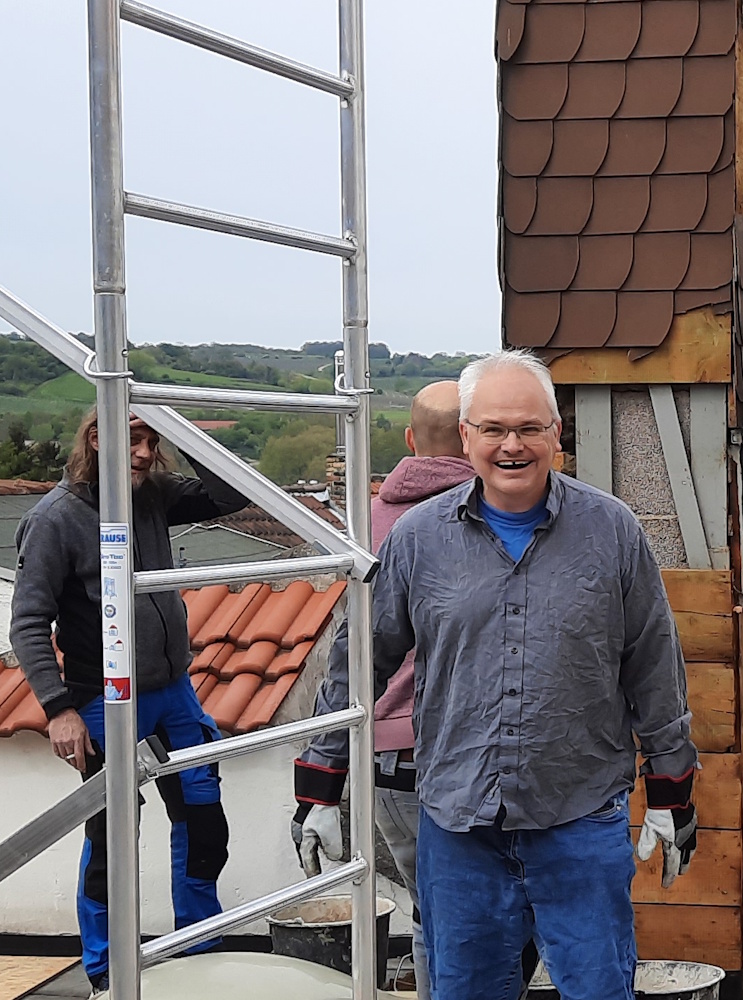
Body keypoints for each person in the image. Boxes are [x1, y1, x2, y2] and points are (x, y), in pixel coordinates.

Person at [293, 350, 699, 1000]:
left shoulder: (613, 533)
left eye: (529, 428)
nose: (512, 445)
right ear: (466, 437)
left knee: (599, 990)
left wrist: (673, 791)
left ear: (556, 434)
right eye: (493, 429)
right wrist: (320, 782)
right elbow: (360, 661)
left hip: (579, 814)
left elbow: (653, 664)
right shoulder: (418, 539)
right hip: (458, 827)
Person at [9, 411, 250, 997]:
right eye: (131, 440)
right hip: (103, 700)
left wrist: (189, 437)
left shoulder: (152, 494)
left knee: (203, 822)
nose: (143, 455)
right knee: (113, 837)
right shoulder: (56, 519)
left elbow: (229, 493)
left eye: (151, 442)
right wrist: (58, 708)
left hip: (174, 693)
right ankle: (105, 969)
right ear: (96, 438)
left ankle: (201, 947)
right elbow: (28, 623)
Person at [289, 381, 473, 1000]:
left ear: (409, 440)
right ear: (475, 435)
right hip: (471, 748)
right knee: (482, 912)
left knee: (435, 908)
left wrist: (319, 781)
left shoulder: (368, 521)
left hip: (390, 753)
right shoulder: (486, 516)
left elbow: (350, 656)